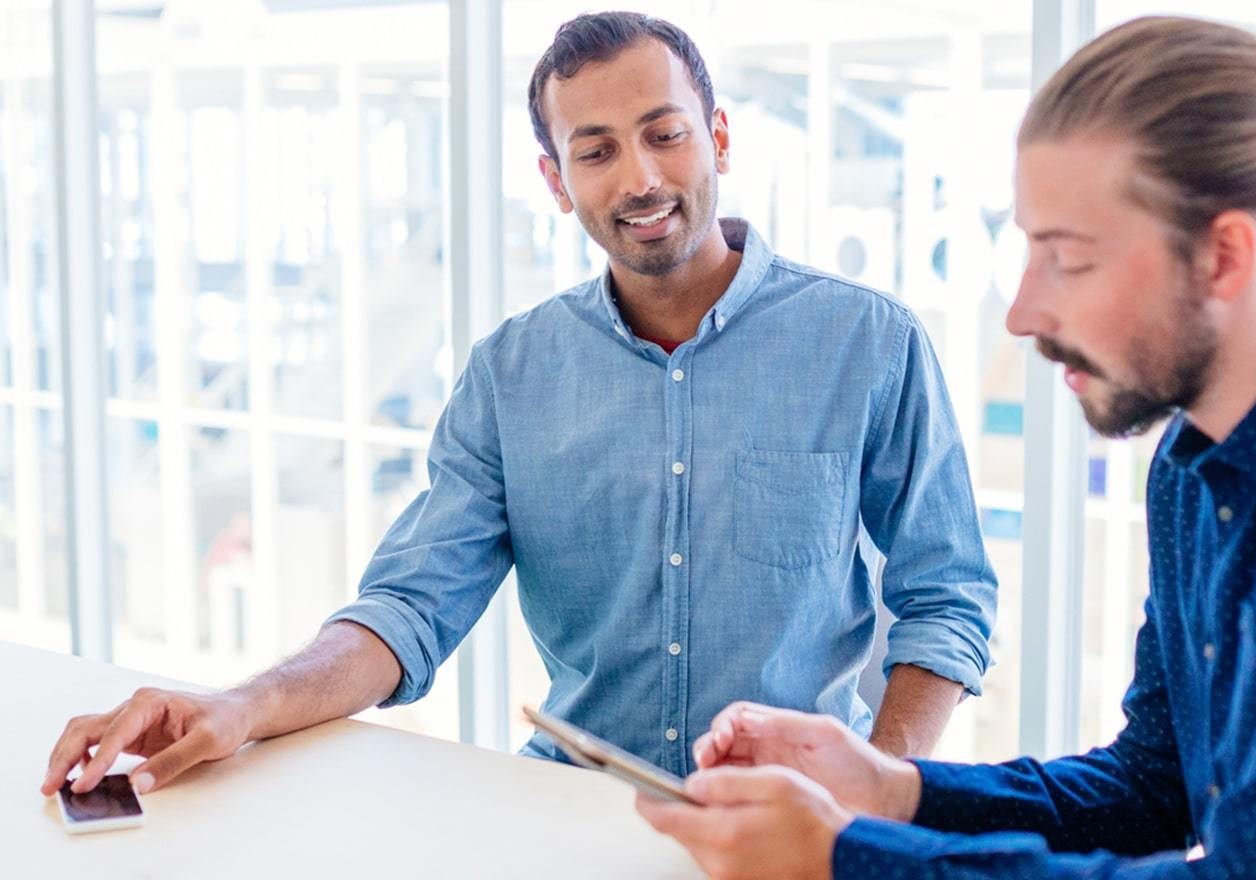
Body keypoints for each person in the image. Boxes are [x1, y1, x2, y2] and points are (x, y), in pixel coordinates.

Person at [41, 11, 997, 800]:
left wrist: (879, 791)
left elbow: (944, 597)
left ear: (720, 137)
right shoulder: (510, 375)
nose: (642, 178)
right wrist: (237, 706)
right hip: (569, 809)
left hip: (798, 813)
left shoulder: (867, 342)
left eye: (665, 133)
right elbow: (409, 608)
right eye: (597, 150)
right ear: (556, 180)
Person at [636, 15, 1256, 879]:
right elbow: (1151, 788)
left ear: (1223, 256)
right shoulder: (1193, 456)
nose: (1021, 313)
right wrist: (887, 790)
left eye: (1069, 259)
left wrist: (848, 859)